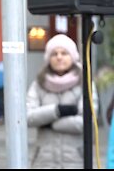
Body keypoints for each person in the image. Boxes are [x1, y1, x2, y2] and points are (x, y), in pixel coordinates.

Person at [26, 34, 98, 169]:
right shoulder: (38, 83)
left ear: (73, 56)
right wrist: (57, 110)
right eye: (54, 54)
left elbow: (87, 122)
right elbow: (28, 117)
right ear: (48, 58)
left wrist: (50, 123)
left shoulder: (85, 83)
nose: (59, 57)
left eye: (64, 53)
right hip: (44, 161)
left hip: (76, 160)